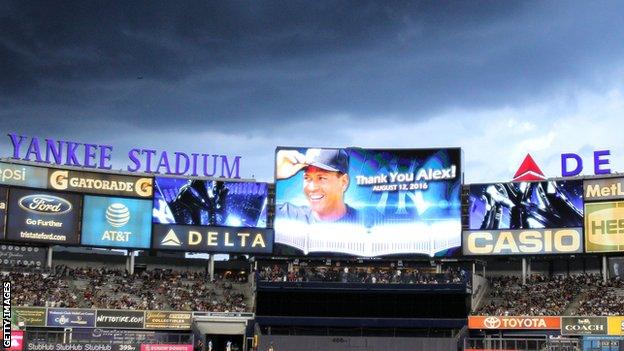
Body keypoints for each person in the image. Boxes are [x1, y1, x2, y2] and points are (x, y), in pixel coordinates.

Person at [276, 148, 358, 223]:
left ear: (344, 182)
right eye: (307, 178)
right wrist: (276, 172)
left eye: (321, 178)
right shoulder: (289, 216)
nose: (312, 188)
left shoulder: (363, 222)